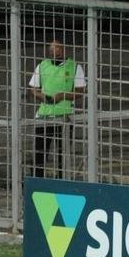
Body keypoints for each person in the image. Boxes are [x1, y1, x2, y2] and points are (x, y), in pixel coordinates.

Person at [28, 38, 86, 179]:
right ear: (49, 51)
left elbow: (80, 91)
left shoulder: (74, 67)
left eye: (58, 48)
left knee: (63, 153)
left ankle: (62, 181)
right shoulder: (42, 66)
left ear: (63, 49)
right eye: (52, 49)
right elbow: (33, 89)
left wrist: (63, 96)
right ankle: (37, 181)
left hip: (65, 116)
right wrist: (43, 97)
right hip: (44, 116)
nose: (56, 51)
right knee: (40, 152)